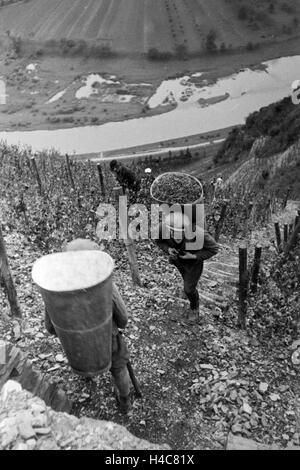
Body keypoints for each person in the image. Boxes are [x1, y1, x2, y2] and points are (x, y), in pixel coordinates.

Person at [44, 238, 132, 415]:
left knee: (83, 356)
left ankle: (87, 374)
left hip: (75, 344)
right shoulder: (106, 286)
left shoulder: (55, 289)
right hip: (108, 339)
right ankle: (125, 400)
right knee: (119, 367)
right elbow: (123, 318)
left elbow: (50, 327)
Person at [156, 212, 219, 322]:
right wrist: (168, 249)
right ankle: (187, 288)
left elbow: (214, 249)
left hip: (193, 264)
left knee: (189, 289)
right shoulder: (163, 228)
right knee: (185, 277)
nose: (176, 235)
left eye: (180, 233)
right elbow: (158, 241)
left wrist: (194, 256)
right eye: (173, 232)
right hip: (178, 260)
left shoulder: (199, 233)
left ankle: (195, 307)